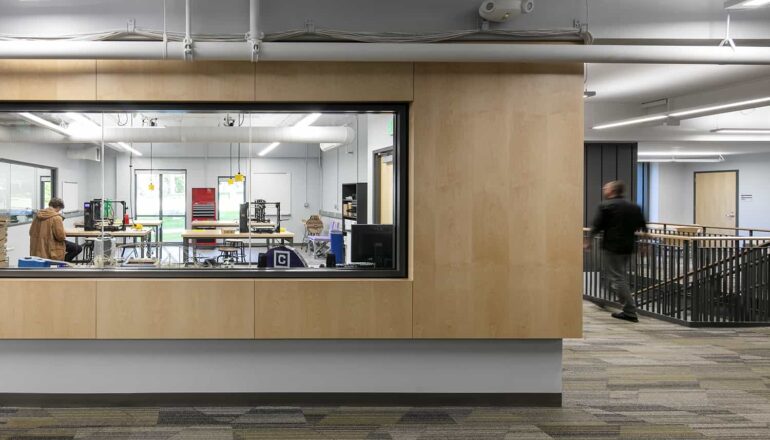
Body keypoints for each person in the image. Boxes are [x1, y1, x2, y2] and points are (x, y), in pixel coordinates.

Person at [586, 180, 647, 323]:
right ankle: (614, 302)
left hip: (612, 246)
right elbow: (643, 227)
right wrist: (644, 245)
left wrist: (588, 240)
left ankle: (630, 311)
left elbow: (597, 225)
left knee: (617, 278)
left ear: (612, 191)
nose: (604, 189)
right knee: (619, 276)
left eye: (606, 188)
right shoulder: (634, 207)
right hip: (628, 246)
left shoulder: (606, 206)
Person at [29, 197, 82, 262]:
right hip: (51, 247)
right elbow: (60, 237)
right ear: (58, 207)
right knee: (78, 248)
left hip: (38, 248)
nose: (59, 211)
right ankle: (62, 263)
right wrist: (63, 232)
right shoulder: (56, 217)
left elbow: (31, 232)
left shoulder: (38, 216)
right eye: (60, 209)